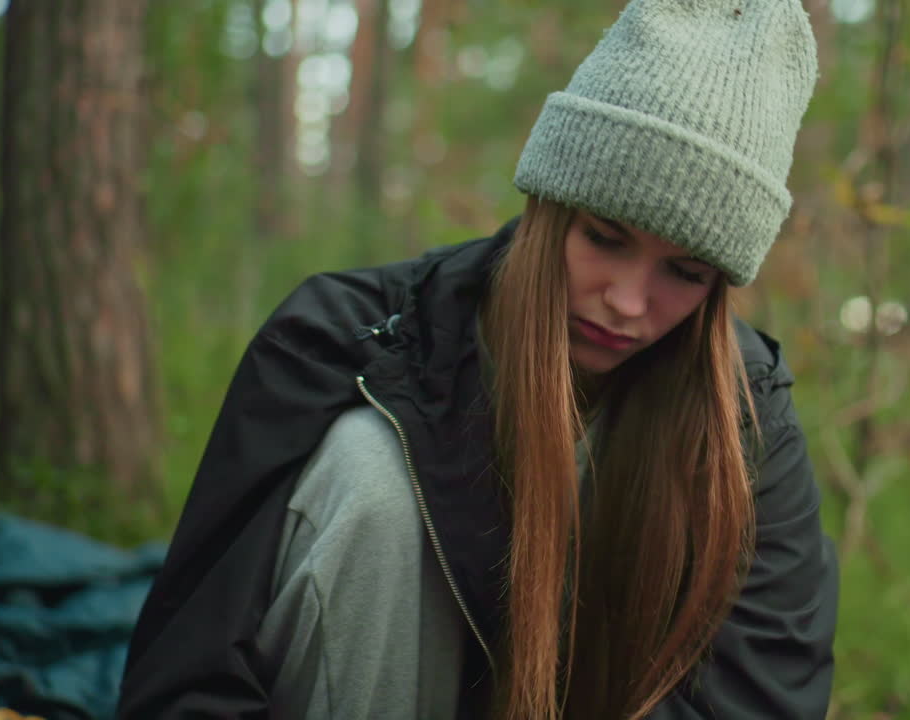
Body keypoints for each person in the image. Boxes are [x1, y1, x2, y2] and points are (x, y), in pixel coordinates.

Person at [117, 0, 839, 717]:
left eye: (684, 273)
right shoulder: (344, 341)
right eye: (605, 238)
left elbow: (759, 693)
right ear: (546, 208)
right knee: (366, 466)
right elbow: (194, 661)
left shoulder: (745, 414)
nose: (625, 301)